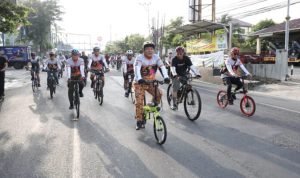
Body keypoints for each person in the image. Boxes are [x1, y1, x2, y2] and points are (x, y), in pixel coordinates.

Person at [134, 41, 170, 130]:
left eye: (151, 49)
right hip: (140, 82)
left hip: (151, 82)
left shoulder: (156, 57)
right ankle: (139, 120)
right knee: (139, 102)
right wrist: (139, 79)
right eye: (147, 49)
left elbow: (162, 67)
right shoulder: (139, 58)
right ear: (144, 50)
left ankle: (150, 106)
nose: (150, 50)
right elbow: (137, 68)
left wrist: (166, 77)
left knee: (159, 94)